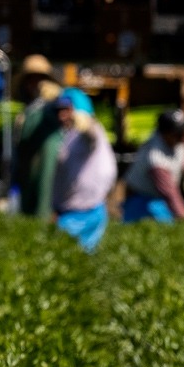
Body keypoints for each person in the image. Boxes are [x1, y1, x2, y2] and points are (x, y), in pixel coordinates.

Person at [51, 88, 116, 252]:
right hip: (68, 212)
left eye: (66, 110)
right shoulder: (65, 134)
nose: (61, 116)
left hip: (89, 211)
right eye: (59, 111)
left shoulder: (89, 131)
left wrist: (86, 124)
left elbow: (91, 136)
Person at [12, 55, 65, 219]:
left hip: (48, 165)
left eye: (39, 80)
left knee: (43, 204)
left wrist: (55, 98)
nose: (35, 85)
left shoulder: (55, 104)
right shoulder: (27, 108)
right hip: (28, 167)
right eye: (31, 80)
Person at [121, 109, 184, 223]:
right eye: (179, 134)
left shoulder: (176, 140)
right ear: (165, 134)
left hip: (158, 198)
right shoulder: (155, 156)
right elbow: (169, 192)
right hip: (141, 199)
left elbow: (182, 153)